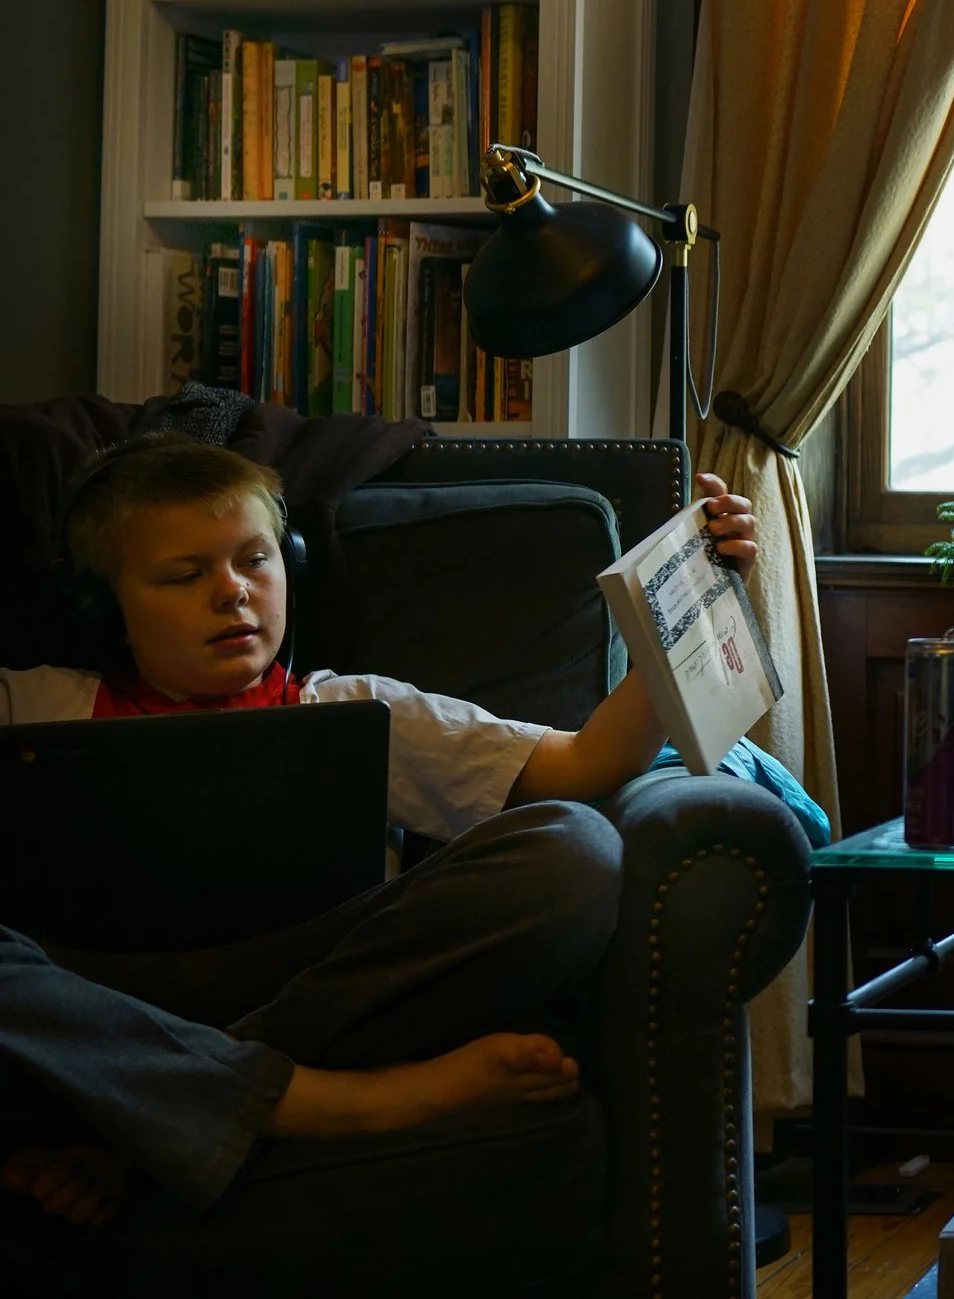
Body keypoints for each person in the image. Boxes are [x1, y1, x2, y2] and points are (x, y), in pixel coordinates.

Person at [0, 433, 760, 1231]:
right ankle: (314, 1102)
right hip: (96, 995)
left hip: (317, 986)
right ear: (99, 608)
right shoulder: (31, 706)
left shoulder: (352, 707)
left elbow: (584, 766)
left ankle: (158, 1111)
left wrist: (694, 605)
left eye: (255, 560)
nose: (232, 592)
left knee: (573, 848)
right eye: (185, 575)